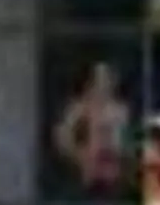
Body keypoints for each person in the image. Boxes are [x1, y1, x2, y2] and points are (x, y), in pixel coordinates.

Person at [53, 61, 132, 195]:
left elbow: (126, 141)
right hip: (86, 170)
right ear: (90, 83)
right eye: (99, 79)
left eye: (107, 78)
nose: (104, 84)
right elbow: (63, 136)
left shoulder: (121, 110)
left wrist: (118, 151)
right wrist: (78, 155)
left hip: (113, 174)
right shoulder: (77, 108)